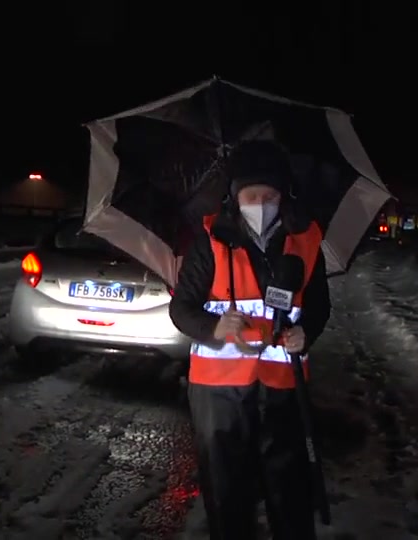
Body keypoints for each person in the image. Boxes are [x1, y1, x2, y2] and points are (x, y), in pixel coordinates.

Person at [169, 140, 331, 540]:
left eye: (269, 196)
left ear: (284, 195)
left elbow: (319, 306)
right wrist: (213, 327)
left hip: (282, 385)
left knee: (289, 487)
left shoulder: (306, 240)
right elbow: (181, 309)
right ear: (234, 196)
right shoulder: (209, 242)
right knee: (227, 491)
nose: (260, 204)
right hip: (218, 389)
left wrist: (305, 333)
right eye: (251, 195)